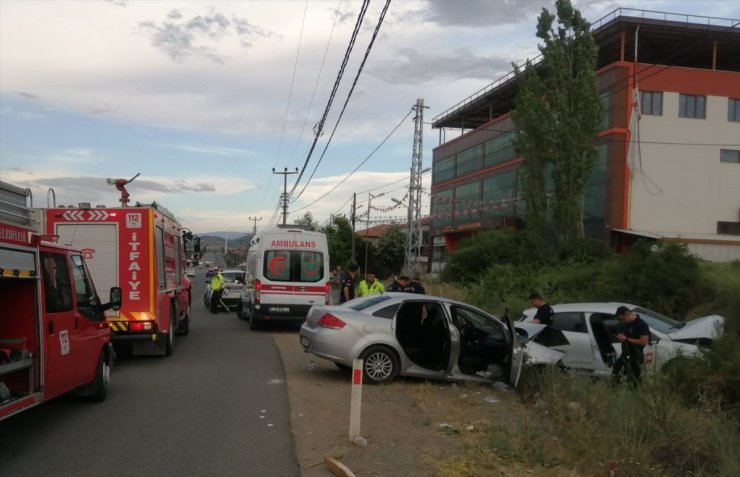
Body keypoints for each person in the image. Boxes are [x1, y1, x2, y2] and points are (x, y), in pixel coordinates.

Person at [613, 305, 650, 386]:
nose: (622, 322)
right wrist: (620, 336)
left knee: (633, 378)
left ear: (627, 314)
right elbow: (626, 334)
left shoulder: (641, 325)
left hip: (635, 356)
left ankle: (635, 392)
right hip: (625, 355)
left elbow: (644, 341)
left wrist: (626, 339)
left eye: (622, 319)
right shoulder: (627, 324)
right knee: (615, 372)